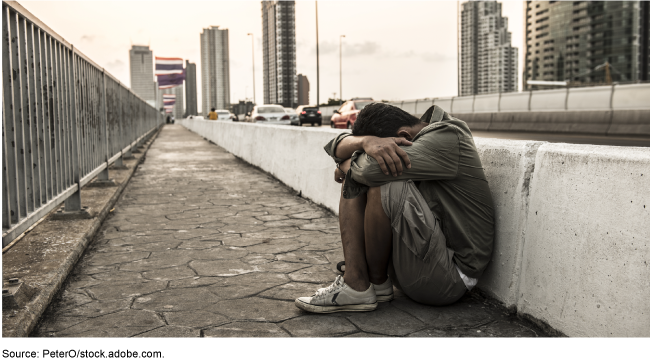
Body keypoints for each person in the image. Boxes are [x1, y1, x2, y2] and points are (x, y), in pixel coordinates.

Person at [294, 103, 495, 313]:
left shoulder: (448, 135)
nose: (375, 151)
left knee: (385, 181)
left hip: (451, 278)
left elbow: (371, 170)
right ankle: (363, 283)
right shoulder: (420, 133)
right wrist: (364, 142)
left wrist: (344, 164)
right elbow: (337, 146)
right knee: (359, 178)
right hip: (424, 260)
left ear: (403, 135)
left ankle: (366, 283)